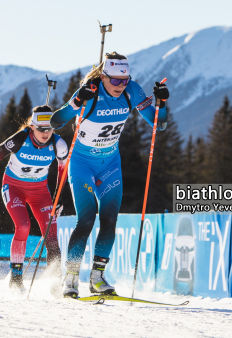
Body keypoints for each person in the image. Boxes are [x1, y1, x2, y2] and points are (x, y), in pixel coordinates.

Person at [50, 52, 169, 298]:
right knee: (86, 219)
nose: (120, 86)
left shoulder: (131, 91)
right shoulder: (90, 91)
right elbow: (55, 122)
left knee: (109, 219)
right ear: (104, 77)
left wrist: (161, 104)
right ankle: (70, 278)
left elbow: (160, 124)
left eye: (124, 80)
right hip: (82, 163)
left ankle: (97, 277)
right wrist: (75, 103)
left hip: (110, 164)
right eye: (115, 80)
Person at [0, 105, 68, 294]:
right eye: (41, 129)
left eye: (50, 128)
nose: (46, 133)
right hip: (14, 187)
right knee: (23, 226)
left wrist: (59, 197)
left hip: (40, 191)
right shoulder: (19, 139)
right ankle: (16, 278)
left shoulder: (58, 144)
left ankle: (56, 281)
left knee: (51, 234)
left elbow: (62, 169)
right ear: (32, 126)